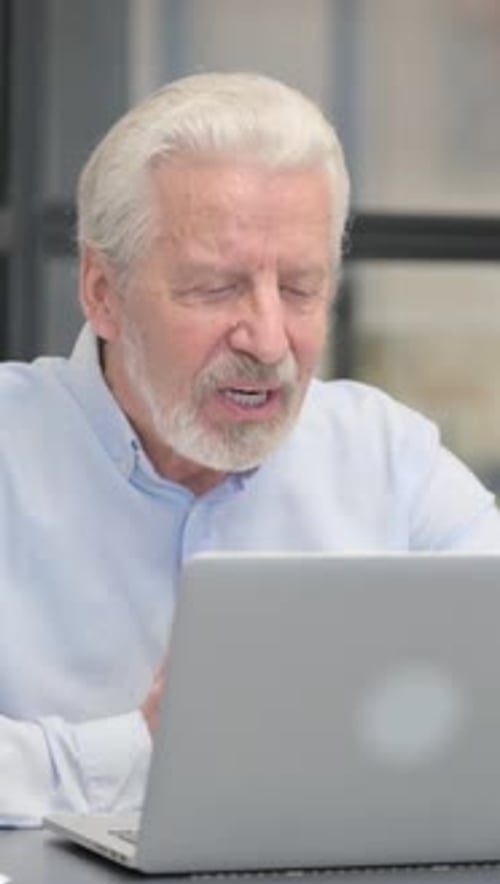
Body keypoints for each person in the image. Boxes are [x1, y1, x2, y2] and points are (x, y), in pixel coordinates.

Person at [1, 72, 499, 828]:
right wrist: (140, 750)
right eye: (215, 289)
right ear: (103, 293)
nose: (269, 342)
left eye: (299, 289)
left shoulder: (388, 457)